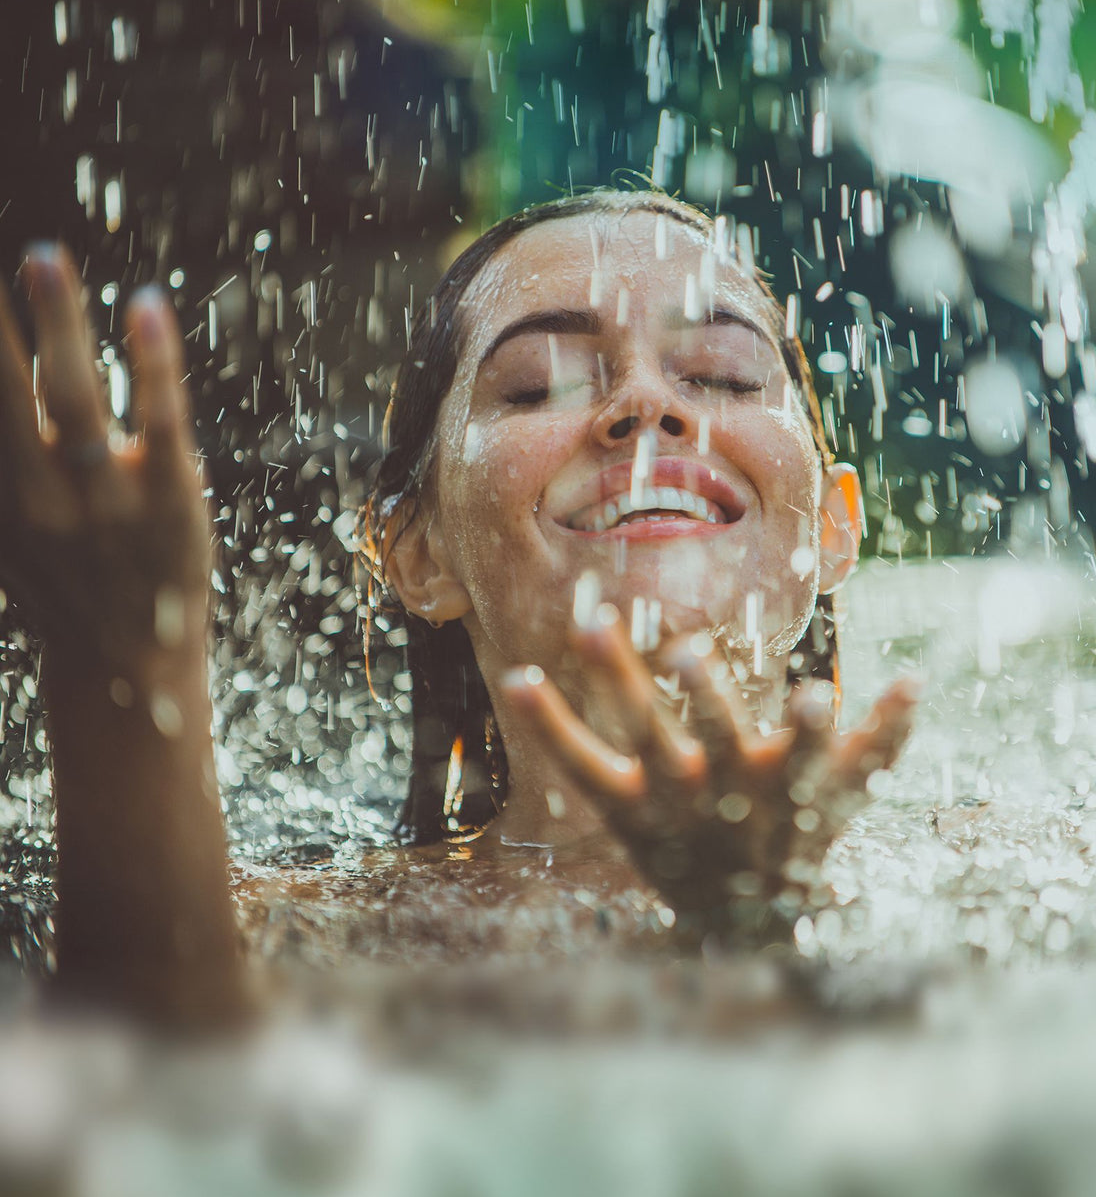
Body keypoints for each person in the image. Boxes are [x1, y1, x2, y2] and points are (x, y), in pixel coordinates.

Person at [0, 190, 921, 1026]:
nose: (646, 403)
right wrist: (118, 665)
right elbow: (142, 1123)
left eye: (721, 374)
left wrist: (755, 935)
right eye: (539, 383)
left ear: (834, 528)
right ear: (417, 554)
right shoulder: (279, 934)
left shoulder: (1013, 871)